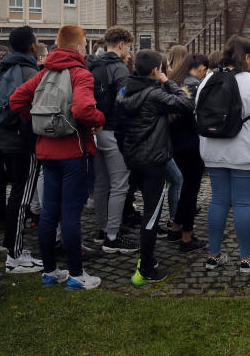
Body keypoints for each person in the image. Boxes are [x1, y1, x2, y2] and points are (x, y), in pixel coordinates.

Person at [10, 25, 105, 290]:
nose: (85, 48)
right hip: (74, 152)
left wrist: (43, 121)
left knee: (50, 212)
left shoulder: (44, 73)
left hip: (46, 151)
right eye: (84, 44)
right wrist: (99, 120)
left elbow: (16, 101)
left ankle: (50, 271)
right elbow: (85, 108)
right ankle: (76, 274)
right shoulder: (80, 74)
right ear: (77, 47)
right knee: (71, 214)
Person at [197, 35, 250, 273]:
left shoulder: (208, 80)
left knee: (218, 201)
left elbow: (198, 116)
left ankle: (214, 255)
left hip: (213, 150)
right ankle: (247, 259)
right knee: (242, 204)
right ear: (248, 57)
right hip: (245, 153)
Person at [117, 49, 195, 285]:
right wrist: (167, 82)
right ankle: (146, 267)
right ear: (154, 71)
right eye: (161, 70)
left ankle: (147, 261)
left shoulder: (124, 91)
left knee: (147, 211)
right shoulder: (154, 95)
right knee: (151, 216)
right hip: (153, 160)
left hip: (134, 157)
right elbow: (186, 104)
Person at [0, 26, 44, 273]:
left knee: (16, 196)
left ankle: (14, 248)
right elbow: (32, 110)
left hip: (2, 137)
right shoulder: (29, 70)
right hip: (23, 142)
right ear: (32, 46)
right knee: (21, 199)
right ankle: (14, 254)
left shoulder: (3, 66)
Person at [88, 26, 135, 254]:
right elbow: (124, 103)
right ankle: (112, 236)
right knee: (119, 185)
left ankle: (101, 229)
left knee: (101, 183)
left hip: (93, 131)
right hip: (113, 131)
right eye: (129, 46)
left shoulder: (91, 64)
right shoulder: (120, 69)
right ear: (122, 45)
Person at [167, 53, 210, 252]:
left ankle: (176, 228)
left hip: (175, 142)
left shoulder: (175, 81)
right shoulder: (196, 86)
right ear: (201, 68)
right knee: (191, 190)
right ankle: (187, 237)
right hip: (192, 143)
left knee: (184, 188)